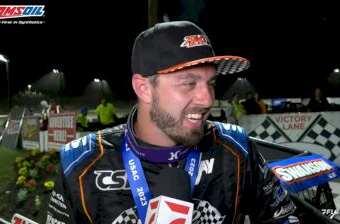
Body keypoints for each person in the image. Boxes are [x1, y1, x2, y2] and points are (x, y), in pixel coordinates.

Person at [46, 21, 298, 224]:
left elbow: (284, 217)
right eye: (189, 83)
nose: (207, 99)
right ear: (144, 88)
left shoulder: (236, 148)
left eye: (211, 83)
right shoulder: (82, 163)